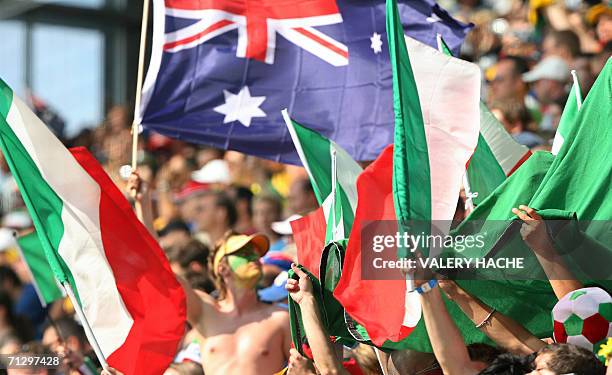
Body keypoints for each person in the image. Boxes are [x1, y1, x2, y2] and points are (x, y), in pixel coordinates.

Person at [182, 233, 291, 375]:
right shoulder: (205, 311)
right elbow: (159, 270)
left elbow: (306, 369)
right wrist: (145, 213)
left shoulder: (280, 318)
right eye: (245, 254)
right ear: (222, 268)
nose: (255, 258)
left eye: (256, 254)